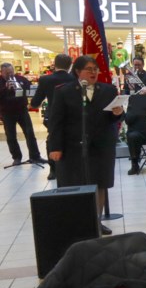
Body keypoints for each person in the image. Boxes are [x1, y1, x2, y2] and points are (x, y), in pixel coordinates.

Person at [47, 55, 124, 235]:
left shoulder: (108, 90)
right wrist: (55, 147)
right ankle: (78, 223)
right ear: (77, 72)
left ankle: (96, 222)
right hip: (73, 147)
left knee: (100, 183)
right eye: (89, 69)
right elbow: (56, 122)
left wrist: (118, 112)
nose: (93, 72)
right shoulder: (64, 92)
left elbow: (115, 118)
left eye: (95, 69)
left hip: (101, 146)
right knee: (75, 183)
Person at [31, 53, 74, 180]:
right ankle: (70, 166)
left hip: (52, 115)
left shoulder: (45, 79)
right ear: (70, 65)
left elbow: (35, 102)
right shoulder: (74, 79)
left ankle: (53, 169)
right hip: (72, 115)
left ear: (54, 64)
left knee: (52, 139)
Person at [0, 62, 43, 166]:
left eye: (11, 72)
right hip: (7, 113)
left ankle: (35, 156)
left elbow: (30, 88)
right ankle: (17, 157)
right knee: (11, 136)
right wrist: (5, 89)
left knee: (30, 134)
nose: (10, 74)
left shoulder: (21, 79)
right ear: (2, 72)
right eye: (7, 73)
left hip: (22, 111)